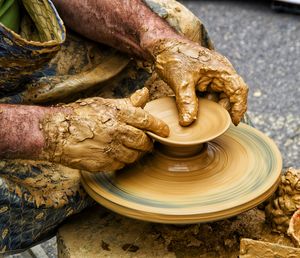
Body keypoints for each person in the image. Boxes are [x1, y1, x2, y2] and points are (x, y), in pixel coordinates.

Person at [0, 0, 248, 253]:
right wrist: (47, 131)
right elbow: (43, 131)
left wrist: (157, 39)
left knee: (178, 28)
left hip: (22, 45)